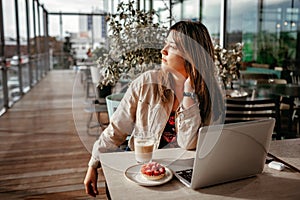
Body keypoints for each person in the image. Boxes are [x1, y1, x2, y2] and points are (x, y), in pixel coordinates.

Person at [84, 21, 225, 197]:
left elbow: (189, 144)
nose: (163, 50)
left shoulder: (211, 95)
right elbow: (116, 130)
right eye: (165, 44)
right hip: (143, 170)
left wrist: (189, 96)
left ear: (192, 55)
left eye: (171, 46)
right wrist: (93, 164)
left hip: (185, 174)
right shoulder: (146, 83)